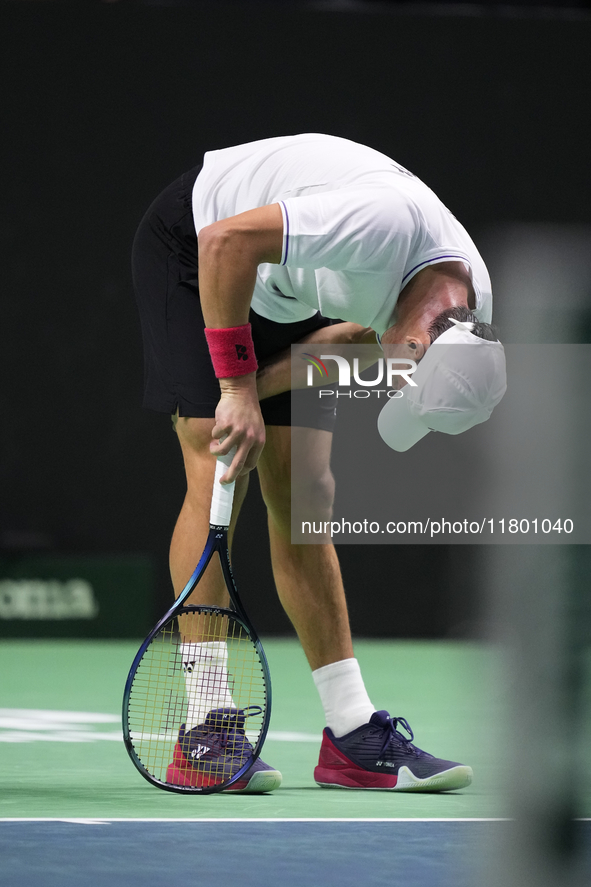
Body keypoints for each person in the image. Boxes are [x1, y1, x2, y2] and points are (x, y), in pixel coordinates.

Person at [132, 133, 506, 794]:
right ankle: (203, 730)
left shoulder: (467, 317)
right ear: (417, 342)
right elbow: (226, 241)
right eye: (402, 381)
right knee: (219, 462)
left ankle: (352, 735)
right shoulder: (380, 226)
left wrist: (253, 385)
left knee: (306, 494)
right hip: (199, 246)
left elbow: (359, 340)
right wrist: (234, 390)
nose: (392, 390)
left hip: (284, 287)